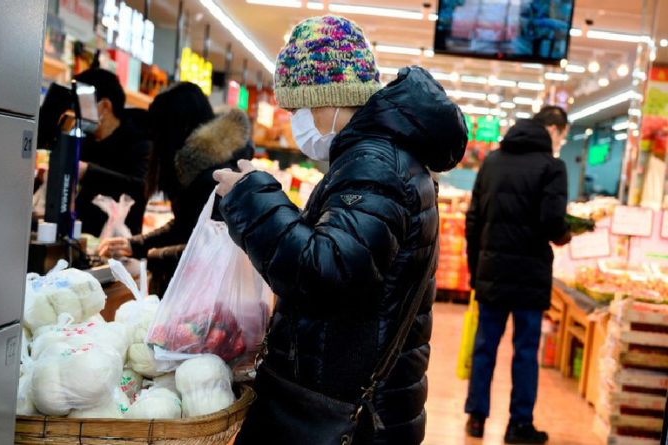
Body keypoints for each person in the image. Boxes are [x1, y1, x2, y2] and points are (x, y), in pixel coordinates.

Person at [213, 15, 467, 445]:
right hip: (362, 404)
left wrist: (252, 199)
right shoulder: (383, 157)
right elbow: (349, 255)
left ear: (330, 98)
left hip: (349, 417)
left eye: (298, 108)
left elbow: (324, 270)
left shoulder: (376, 165)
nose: (296, 122)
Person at [464, 106, 571, 444]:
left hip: (491, 272)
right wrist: (566, 234)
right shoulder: (553, 167)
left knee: (485, 347)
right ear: (553, 130)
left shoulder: (492, 161)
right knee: (525, 351)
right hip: (530, 274)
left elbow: (472, 220)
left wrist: (474, 269)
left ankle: (476, 418)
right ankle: (518, 424)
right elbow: (553, 223)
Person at [98, 82, 253, 295]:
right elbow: (187, 225)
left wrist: (152, 256)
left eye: (157, 134)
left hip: (206, 298)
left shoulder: (214, 178)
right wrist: (136, 244)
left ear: (173, 130)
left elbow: (211, 250)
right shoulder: (197, 168)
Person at [73, 68, 151, 237]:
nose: (77, 113)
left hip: (119, 244)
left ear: (105, 106)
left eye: (82, 105)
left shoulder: (139, 140)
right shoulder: (86, 141)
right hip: (82, 238)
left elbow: (140, 186)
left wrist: (88, 171)